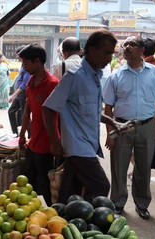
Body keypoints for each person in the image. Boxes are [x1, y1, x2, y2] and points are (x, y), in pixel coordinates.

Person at [43, 30, 122, 203]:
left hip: (88, 143)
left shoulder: (95, 76)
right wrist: (55, 142)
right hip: (77, 146)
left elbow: (89, 110)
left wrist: (110, 121)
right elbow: (48, 109)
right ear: (92, 50)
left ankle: (65, 220)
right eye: (107, 52)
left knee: (71, 189)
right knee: (101, 185)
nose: (110, 58)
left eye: (112, 53)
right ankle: (89, 220)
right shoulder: (74, 76)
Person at [103, 36, 155, 219]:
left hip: (147, 125)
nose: (127, 47)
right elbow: (108, 107)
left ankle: (142, 204)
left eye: (132, 44)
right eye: (125, 44)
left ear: (142, 50)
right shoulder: (115, 75)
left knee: (143, 167)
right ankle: (117, 202)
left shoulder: (154, 73)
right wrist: (111, 133)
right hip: (122, 126)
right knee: (119, 167)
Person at [18, 44, 60, 200]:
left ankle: (52, 214)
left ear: (37, 61)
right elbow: (27, 111)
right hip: (33, 141)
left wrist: (56, 143)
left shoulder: (53, 84)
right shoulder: (31, 82)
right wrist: (22, 135)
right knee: (29, 180)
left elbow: (60, 117)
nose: (23, 67)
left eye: (26, 63)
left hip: (48, 143)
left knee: (46, 182)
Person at [8, 46, 30, 135]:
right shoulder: (22, 64)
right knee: (11, 111)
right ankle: (15, 134)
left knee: (25, 116)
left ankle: (30, 135)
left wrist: (13, 95)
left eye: (17, 55)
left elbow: (25, 84)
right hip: (19, 93)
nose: (17, 57)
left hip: (24, 93)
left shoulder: (28, 65)